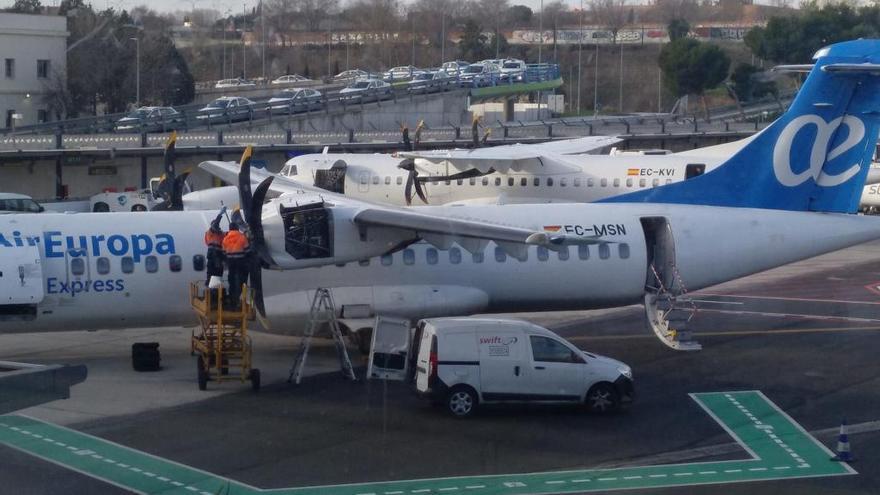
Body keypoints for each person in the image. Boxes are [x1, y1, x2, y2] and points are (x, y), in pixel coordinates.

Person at [222, 220, 250, 310]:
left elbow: (223, 252)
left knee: (232, 280)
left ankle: (232, 298)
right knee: (241, 279)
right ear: (237, 228)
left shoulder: (225, 239)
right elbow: (247, 250)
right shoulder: (242, 237)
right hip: (240, 261)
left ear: (230, 229)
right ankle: (238, 297)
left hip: (231, 262)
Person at [204, 207, 226, 286]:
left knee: (218, 271)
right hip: (213, 254)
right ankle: (209, 285)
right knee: (211, 271)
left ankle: (215, 286)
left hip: (218, 255)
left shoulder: (221, 234)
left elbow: (230, 235)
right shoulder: (210, 232)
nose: (216, 225)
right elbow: (216, 224)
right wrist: (220, 215)